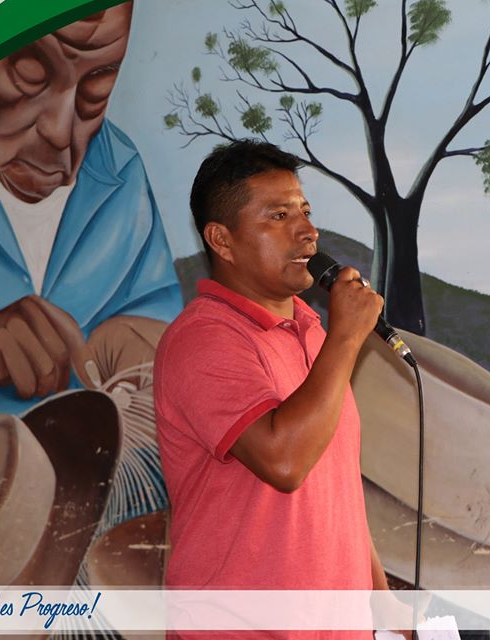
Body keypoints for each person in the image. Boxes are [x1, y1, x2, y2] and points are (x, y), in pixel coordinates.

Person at [0, 2, 181, 521]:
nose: (60, 130)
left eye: (96, 86)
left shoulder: (121, 174)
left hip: (88, 540)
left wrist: (151, 356)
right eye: (30, 70)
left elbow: (161, 339)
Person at [154, 141, 398, 638]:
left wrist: (384, 604)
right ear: (222, 241)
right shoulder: (203, 339)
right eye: (279, 216)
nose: (308, 232)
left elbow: (338, 494)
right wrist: (346, 338)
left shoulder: (314, 332)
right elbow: (284, 462)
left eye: (306, 212)